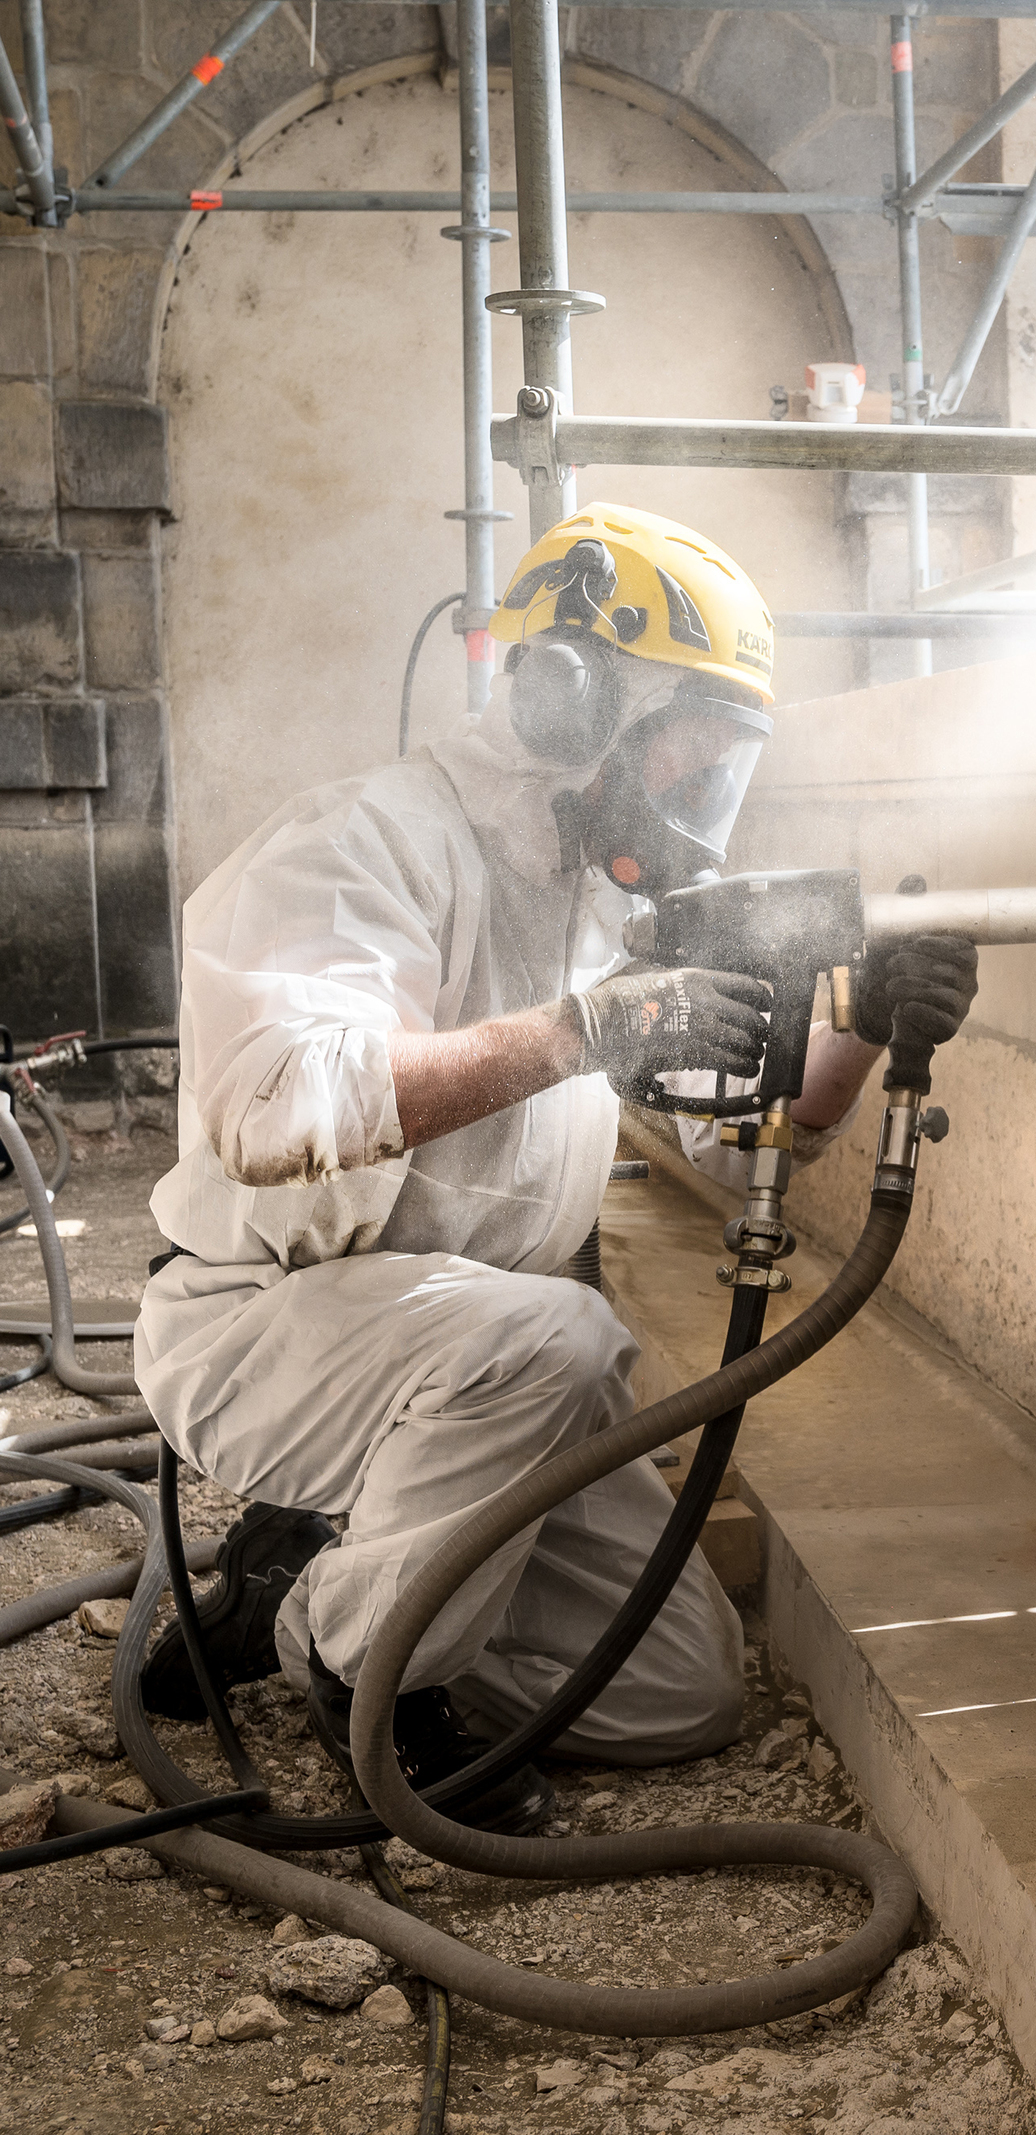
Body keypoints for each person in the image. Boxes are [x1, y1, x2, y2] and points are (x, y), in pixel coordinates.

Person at [134, 503, 977, 1827]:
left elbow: (742, 1126)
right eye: (695, 749)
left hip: (481, 1366)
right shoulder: (361, 845)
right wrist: (581, 1033)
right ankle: (362, 1673)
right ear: (573, 695)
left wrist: (863, 1028)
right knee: (562, 1334)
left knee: (679, 1691)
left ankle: (307, 1584)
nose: (707, 800)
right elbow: (280, 1104)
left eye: (726, 766)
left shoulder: (600, 905)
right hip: (270, 1328)